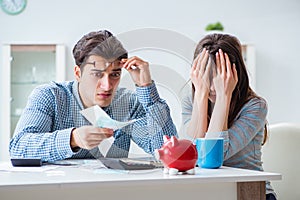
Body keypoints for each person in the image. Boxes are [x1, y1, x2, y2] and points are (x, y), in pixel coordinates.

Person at [9, 29, 177, 162]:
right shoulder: (49, 96)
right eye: (97, 74)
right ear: (78, 73)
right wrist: (72, 139)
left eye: (115, 74)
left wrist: (147, 89)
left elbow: (167, 152)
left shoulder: (129, 103)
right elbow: (18, 148)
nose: (107, 85)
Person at [181, 33, 276, 199]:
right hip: (212, 192)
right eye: (205, 76)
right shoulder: (191, 100)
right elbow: (191, 157)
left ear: (234, 74)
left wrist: (224, 96)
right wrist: (200, 97)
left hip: (250, 192)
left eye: (218, 77)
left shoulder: (255, 106)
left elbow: (212, 158)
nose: (211, 86)